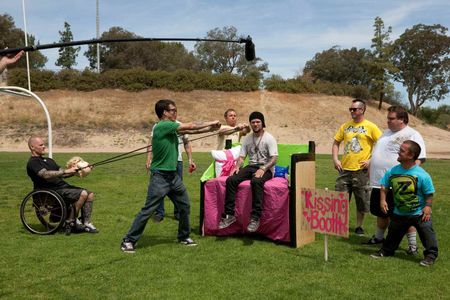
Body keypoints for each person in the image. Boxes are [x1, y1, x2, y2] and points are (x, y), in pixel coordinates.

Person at [121, 99, 220, 253]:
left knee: (184, 206)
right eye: (173, 110)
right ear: (164, 113)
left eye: (175, 110)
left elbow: (192, 131)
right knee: (148, 210)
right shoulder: (163, 126)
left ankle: (183, 237)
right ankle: (128, 241)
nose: (175, 112)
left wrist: (210, 129)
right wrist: (211, 122)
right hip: (160, 177)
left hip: (173, 177)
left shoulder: (171, 128)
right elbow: (192, 125)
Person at [365, 106, 426, 255]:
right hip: (379, 181)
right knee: (381, 212)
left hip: (400, 183)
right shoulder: (385, 134)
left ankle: (412, 245)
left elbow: (420, 158)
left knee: (406, 215)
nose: (388, 121)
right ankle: (379, 238)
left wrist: (408, 177)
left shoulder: (412, 134)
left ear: (402, 120)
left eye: (391, 119)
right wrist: (370, 166)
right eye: (388, 118)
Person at [371, 140, 438, 267]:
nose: (398, 152)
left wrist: (428, 207)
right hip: (399, 212)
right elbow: (384, 186)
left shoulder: (422, 175)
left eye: (402, 151)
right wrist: (382, 200)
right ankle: (386, 251)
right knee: (392, 235)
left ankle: (430, 256)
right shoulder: (393, 171)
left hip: (419, 213)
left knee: (427, 234)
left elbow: (429, 193)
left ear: (411, 155)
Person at [218, 111, 278, 233]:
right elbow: (242, 157)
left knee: (256, 181)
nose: (255, 124)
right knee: (231, 179)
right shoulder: (247, 138)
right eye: (253, 122)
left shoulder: (269, 138)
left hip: (265, 168)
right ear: (250, 124)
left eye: (258, 122)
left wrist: (263, 168)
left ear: (262, 123)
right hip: (250, 166)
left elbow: (274, 158)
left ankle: (255, 218)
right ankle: (229, 215)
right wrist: (237, 167)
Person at [26, 136, 98, 233]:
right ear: (32, 147)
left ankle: (86, 222)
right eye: (41, 145)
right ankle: (71, 221)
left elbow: (63, 174)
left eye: (44, 144)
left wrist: (82, 169)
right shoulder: (33, 163)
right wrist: (66, 170)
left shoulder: (49, 160)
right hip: (49, 191)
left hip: (62, 187)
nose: (44, 146)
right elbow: (45, 175)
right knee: (83, 193)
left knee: (90, 194)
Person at [332, 99, 382, 235]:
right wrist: (336, 159)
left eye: (354, 109)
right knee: (340, 199)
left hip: (361, 171)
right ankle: (339, 225)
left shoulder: (370, 126)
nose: (352, 112)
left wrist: (371, 160)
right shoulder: (345, 126)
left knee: (361, 199)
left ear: (362, 110)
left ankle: (359, 226)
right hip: (344, 169)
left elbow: (381, 144)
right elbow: (336, 142)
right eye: (350, 109)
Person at [147, 120, 196, 222]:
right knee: (159, 189)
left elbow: (186, 143)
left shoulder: (181, 125)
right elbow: (151, 143)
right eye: (171, 111)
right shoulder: (158, 126)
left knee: (177, 190)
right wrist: (148, 159)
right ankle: (159, 213)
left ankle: (178, 213)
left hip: (177, 161)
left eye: (175, 111)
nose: (174, 113)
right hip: (161, 162)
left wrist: (190, 159)